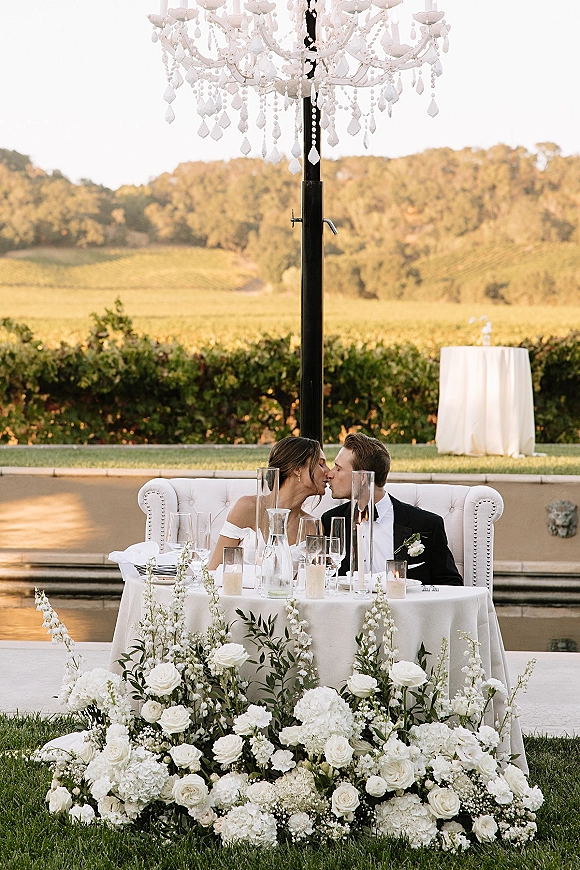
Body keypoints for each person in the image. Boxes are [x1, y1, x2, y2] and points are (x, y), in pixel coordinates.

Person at [321, 433, 462, 586]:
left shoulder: (425, 525)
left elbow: (451, 584)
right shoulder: (330, 521)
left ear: (362, 477)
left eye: (338, 468)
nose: (329, 474)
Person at [208, 436, 329, 569]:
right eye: (321, 464)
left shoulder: (312, 526)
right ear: (297, 469)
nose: (328, 472)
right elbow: (214, 569)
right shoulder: (248, 508)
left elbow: (312, 583)